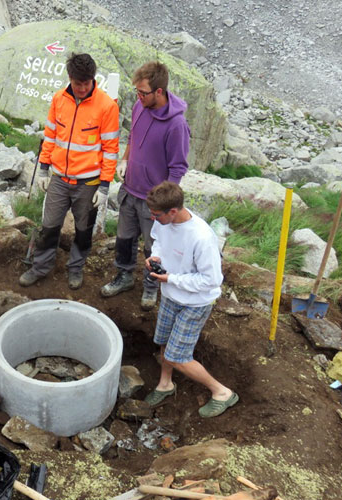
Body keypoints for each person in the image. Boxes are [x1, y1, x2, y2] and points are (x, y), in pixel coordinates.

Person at [19, 53, 119, 290]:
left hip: (89, 182)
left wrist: (104, 186)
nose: (82, 88)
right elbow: (51, 136)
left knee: (84, 230)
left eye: (87, 83)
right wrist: (43, 168)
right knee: (49, 225)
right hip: (59, 179)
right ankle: (41, 267)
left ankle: (75, 269)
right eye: (77, 83)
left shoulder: (106, 106)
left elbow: (111, 150)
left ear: (93, 79)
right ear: (70, 78)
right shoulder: (58, 100)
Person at [143, 182, 238, 418]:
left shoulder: (202, 237)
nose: (153, 218)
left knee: (178, 357)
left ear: (172, 211)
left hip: (195, 303)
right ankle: (165, 384)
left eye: (156, 215)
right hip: (170, 295)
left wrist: (172, 278)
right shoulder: (163, 222)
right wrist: (156, 255)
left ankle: (222, 392)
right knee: (164, 340)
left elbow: (211, 280)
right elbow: (159, 239)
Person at [100, 61, 190, 310]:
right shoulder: (140, 106)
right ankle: (124, 276)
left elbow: (178, 167)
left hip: (153, 200)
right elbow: (133, 136)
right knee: (124, 238)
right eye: (137, 92)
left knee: (154, 247)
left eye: (143, 92)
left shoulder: (176, 125)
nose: (138, 97)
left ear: (158, 92)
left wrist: (164, 202)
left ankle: (151, 286)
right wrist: (125, 159)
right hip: (130, 189)